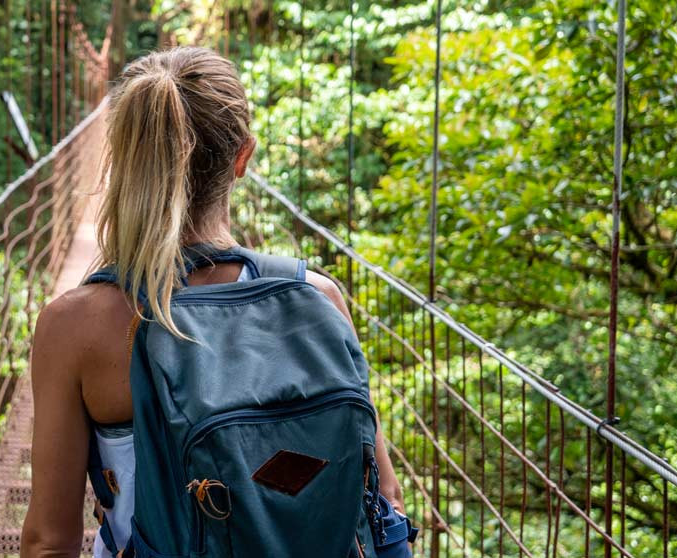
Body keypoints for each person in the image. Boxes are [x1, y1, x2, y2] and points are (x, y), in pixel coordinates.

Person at [20, 46, 406, 558]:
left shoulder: (74, 326)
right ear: (243, 157)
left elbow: (50, 543)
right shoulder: (319, 298)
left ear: (123, 160)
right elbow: (385, 501)